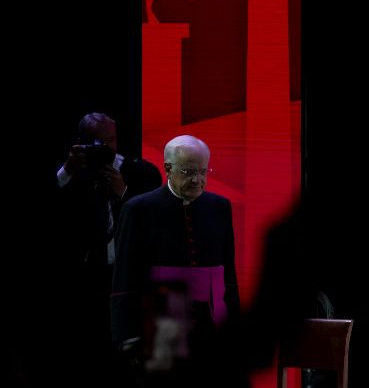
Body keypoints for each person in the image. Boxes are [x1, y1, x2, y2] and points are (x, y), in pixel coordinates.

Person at [111, 134, 238, 361]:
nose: (197, 180)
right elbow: (125, 275)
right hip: (160, 326)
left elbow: (228, 272)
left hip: (211, 324)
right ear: (168, 168)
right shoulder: (138, 209)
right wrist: (127, 335)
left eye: (202, 171)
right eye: (188, 172)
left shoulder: (220, 207)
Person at [53, 112, 162, 354]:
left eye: (111, 140)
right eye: (98, 142)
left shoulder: (141, 173)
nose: (105, 147)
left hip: (128, 275)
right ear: (81, 142)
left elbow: (152, 225)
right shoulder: (71, 174)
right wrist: (68, 171)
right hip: (85, 276)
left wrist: (122, 192)